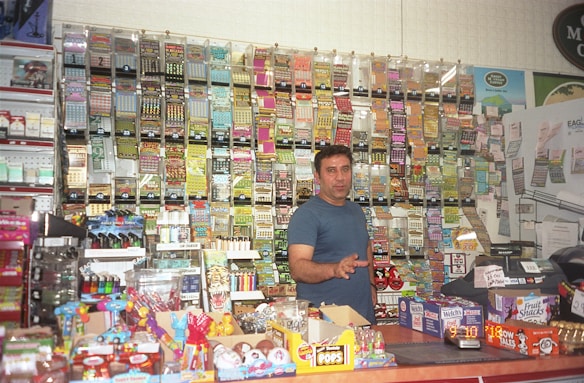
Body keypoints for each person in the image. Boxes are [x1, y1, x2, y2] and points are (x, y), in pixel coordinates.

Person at [287, 144, 377, 324]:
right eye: (331, 171)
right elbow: (297, 269)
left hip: (362, 315)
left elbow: (365, 246)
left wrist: (371, 284)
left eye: (345, 169)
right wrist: (334, 269)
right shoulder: (307, 215)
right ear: (317, 177)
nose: (340, 177)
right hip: (324, 321)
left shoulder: (356, 211)